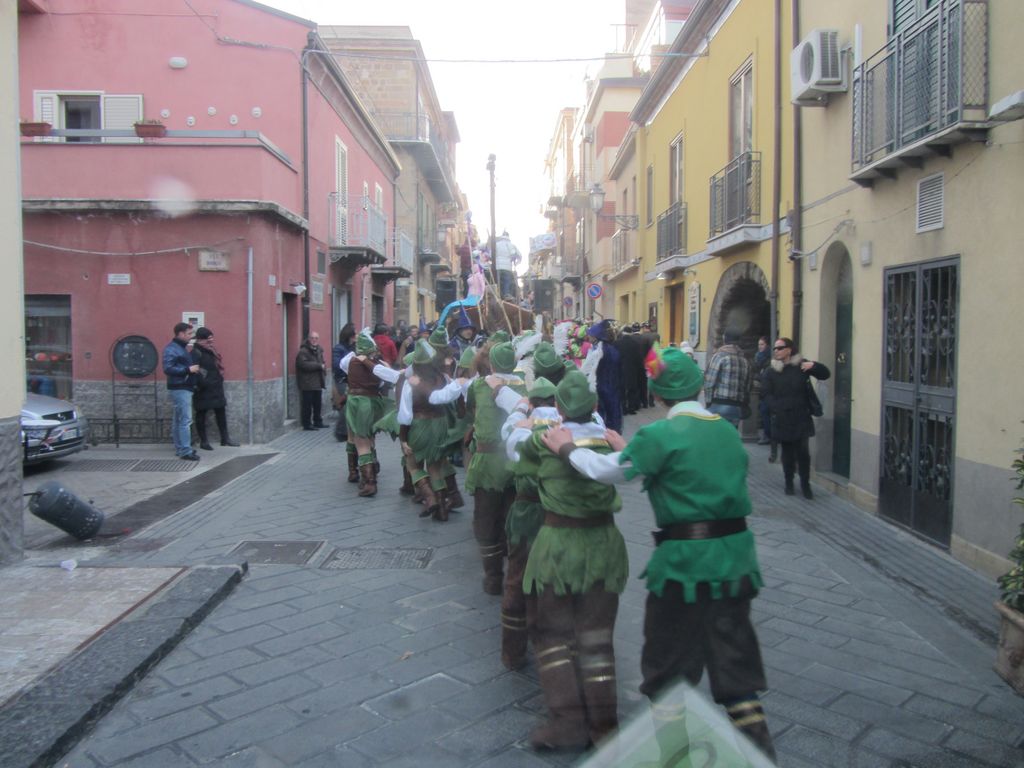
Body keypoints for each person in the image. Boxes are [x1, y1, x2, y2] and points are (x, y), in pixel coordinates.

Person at [541, 347, 776, 763]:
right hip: (736, 563)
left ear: (657, 393)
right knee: (737, 670)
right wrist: (630, 448)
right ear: (700, 387)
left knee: (667, 670)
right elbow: (690, 464)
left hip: (683, 566)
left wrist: (565, 448)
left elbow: (608, 472)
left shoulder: (660, 436)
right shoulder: (726, 430)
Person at [505, 370, 627, 751]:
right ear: (595, 406)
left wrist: (523, 419)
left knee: (552, 635)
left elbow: (512, 448)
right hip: (604, 546)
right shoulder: (612, 443)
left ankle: (568, 722)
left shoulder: (544, 441)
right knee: (597, 639)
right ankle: (605, 727)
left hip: (558, 548)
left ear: (558, 408)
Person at [465, 342, 526, 595]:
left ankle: (492, 577)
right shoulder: (525, 386)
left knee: (486, 517)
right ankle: (514, 574)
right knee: (513, 516)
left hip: (487, 462)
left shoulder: (479, 385)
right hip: (515, 462)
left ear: (490, 364)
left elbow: (469, 409)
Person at [398, 340, 467, 521]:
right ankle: (442, 509)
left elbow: (405, 415)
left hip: (420, 424)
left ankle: (429, 497)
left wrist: (403, 439)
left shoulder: (411, 383)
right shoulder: (443, 378)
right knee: (435, 466)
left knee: (412, 463)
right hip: (440, 424)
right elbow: (455, 397)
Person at [761, 337, 831, 499]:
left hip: (801, 416)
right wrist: (777, 408)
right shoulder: (771, 371)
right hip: (782, 417)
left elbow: (825, 374)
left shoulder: (801, 366)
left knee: (803, 453)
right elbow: (766, 393)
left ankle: (806, 485)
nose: (776, 351)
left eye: (780, 348)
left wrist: (814, 366)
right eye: (775, 348)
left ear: (789, 349)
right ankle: (789, 483)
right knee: (787, 453)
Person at [339, 331, 401, 495]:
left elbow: (342, 365)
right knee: (369, 436)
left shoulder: (351, 361)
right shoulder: (378, 364)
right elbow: (385, 380)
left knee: (360, 440)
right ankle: (372, 467)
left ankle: (369, 481)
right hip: (374, 401)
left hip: (358, 402)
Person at [190, 327, 239, 450]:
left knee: (221, 412)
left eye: (212, 338)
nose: (211, 341)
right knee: (201, 413)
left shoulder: (211, 351)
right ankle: (204, 441)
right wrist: (203, 383)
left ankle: (225, 438)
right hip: (203, 389)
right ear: (201, 339)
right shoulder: (195, 352)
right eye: (208, 339)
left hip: (216, 386)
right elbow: (195, 371)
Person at [163, 322, 201, 461]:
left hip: (182, 386)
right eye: (189, 333)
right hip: (180, 387)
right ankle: (185, 450)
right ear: (181, 334)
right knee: (185, 420)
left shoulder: (179, 348)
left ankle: (181, 448)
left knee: (179, 420)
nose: (191, 336)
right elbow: (168, 368)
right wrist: (188, 370)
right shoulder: (172, 349)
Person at [704, 329, 752, 428]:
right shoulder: (745, 361)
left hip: (719, 403)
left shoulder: (719, 357)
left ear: (724, 339)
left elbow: (709, 382)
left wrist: (708, 402)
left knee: (717, 434)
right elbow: (748, 386)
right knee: (731, 433)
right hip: (737, 406)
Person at [585, 320, 623, 433]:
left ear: (596, 337)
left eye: (590, 335)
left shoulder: (601, 351)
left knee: (607, 412)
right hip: (608, 385)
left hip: (605, 386)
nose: (588, 337)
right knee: (611, 412)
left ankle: (609, 433)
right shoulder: (602, 349)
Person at [296, 332, 327, 431]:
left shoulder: (319, 350)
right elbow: (303, 365)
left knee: (318, 404)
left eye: (316, 338)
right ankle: (307, 424)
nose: (314, 340)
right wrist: (319, 366)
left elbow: (322, 362)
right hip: (307, 383)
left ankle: (318, 421)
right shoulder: (303, 351)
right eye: (312, 338)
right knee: (307, 405)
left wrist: (323, 368)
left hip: (318, 381)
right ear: (309, 339)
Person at [332, 324, 356, 446]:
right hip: (342, 380)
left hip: (350, 379)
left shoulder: (353, 348)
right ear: (349, 336)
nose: (355, 337)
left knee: (349, 404)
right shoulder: (339, 348)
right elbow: (336, 365)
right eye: (354, 335)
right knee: (346, 404)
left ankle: (346, 431)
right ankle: (340, 431)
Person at [753, 336, 774, 452]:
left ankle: (768, 435)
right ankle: (767, 434)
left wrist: (758, 377)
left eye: (762, 344)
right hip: (763, 389)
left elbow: (765, 375)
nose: (759, 347)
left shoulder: (769, 358)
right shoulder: (758, 357)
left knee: (765, 411)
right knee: (763, 411)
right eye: (759, 344)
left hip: (768, 390)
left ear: (767, 345)